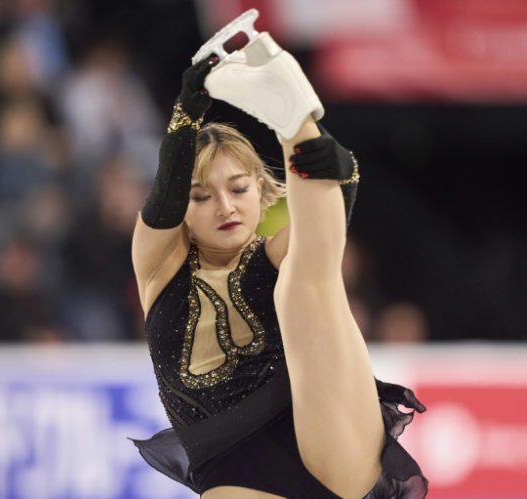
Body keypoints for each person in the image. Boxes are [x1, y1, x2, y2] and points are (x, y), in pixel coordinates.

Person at [130, 30, 427, 499]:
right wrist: (188, 110)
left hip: (332, 442)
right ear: (182, 209)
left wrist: (336, 161)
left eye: (238, 189)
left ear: (262, 191)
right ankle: (294, 121)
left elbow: (329, 219)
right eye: (201, 196)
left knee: (303, 281)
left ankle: (294, 122)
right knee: (302, 272)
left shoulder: (278, 253)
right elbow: (162, 200)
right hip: (231, 467)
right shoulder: (158, 269)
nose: (224, 206)